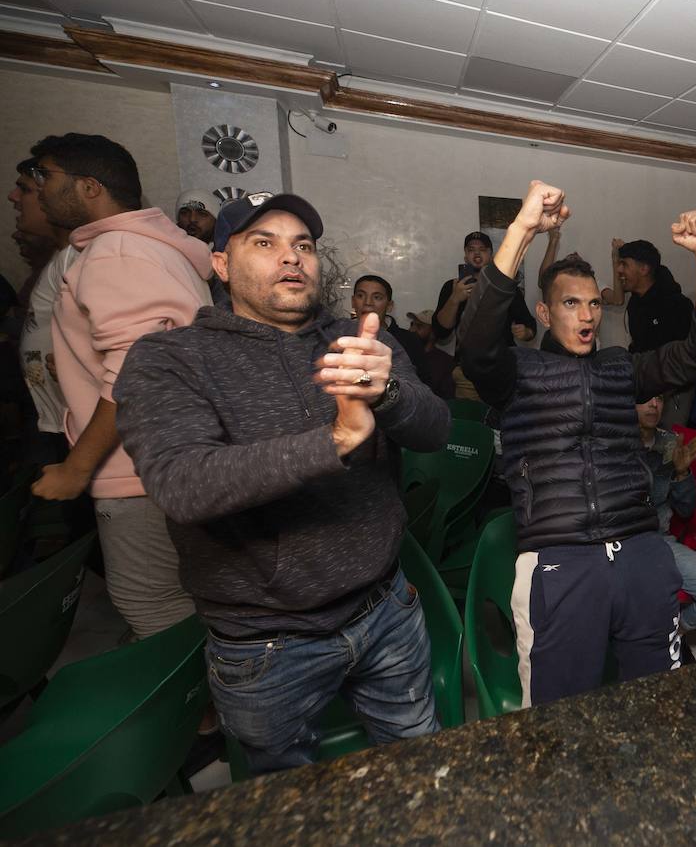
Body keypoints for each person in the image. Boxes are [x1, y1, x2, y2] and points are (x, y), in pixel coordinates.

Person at [115, 193, 448, 773]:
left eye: (303, 245)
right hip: (265, 645)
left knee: (420, 758)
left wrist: (386, 390)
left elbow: (435, 429)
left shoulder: (356, 337)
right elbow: (182, 484)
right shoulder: (170, 358)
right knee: (284, 793)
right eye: (263, 243)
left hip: (386, 607)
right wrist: (335, 441)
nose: (290, 258)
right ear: (221, 264)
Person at [459, 181, 696, 707]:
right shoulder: (519, 370)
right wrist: (523, 229)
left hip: (641, 554)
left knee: (660, 705)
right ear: (542, 313)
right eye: (570, 304)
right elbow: (474, 342)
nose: (585, 316)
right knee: (562, 717)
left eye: (592, 304)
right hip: (561, 561)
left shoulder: (620, 366)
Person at [31, 132, 208, 639]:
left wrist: (77, 467)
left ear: (89, 186)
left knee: (148, 603)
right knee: (182, 592)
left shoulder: (118, 252)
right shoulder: (153, 249)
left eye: (47, 176)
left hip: (135, 464)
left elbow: (136, 369)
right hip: (170, 453)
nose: (37, 189)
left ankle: (210, 710)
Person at [636, 394, 696, 636]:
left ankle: (669, 636)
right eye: (645, 398)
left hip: (660, 541)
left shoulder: (670, 443)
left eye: (660, 398)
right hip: (621, 544)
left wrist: (682, 474)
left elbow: (686, 509)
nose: (654, 404)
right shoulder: (612, 445)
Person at [11, 158, 75, 465]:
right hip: (55, 419)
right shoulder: (60, 257)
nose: (13, 197)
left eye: (24, 189)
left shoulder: (80, 258)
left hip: (74, 420)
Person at [435, 230, 536, 399]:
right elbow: (440, 332)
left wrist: (525, 332)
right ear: (466, 255)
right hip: (467, 372)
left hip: (504, 368)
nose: (476, 253)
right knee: (472, 422)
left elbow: (530, 326)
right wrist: (455, 298)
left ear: (491, 255)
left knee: (505, 421)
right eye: (471, 249)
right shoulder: (452, 287)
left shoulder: (505, 288)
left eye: (482, 249)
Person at [619, 237, 695, 427]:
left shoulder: (676, 305)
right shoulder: (635, 303)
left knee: (667, 444)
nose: (620, 270)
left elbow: (688, 354)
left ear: (644, 269)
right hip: (644, 386)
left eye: (624, 265)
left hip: (674, 393)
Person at [351, 274, 431, 389]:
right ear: (353, 302)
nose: (368, 302)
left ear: (389, 306)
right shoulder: (340, 337)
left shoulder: (409, 341)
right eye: (360, 295)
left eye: (377, 297)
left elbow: (424, 388)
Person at [405, 308, 455, 399]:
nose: (412, 330)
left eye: (419, 326)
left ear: (433, 333)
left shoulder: (445, 362)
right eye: (412, 324)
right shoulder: (403, 355)